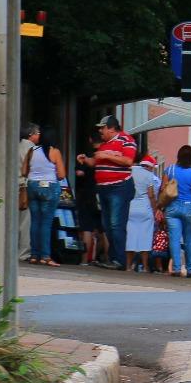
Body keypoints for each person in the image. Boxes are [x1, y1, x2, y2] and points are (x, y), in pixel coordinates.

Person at [78, 115, 137, 269]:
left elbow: (128, 161)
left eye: (103, 128)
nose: (100, 131)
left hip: (119, 187)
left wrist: (106, 155)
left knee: (116, 224)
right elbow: (96, 163)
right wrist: (86, 160)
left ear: (111, 128)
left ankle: (120, 260)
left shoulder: (126, 140)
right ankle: (112, 258)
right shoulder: (105, 144)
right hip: (104, 188)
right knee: (107, 224)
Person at [22, 125, 66, 266]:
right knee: (46, 223)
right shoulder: (55, 152)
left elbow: (24, 172)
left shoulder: (31, 151)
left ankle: (34, 255)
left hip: (33, 187)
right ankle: (45, 256)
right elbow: (61, 175)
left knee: (35, 221)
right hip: (49, 188)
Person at [163, 145, 191, 278]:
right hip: (189, 208)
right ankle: (190, 269)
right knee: (189, 240)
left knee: (174, 239)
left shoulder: (169, 170)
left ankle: (176, 268)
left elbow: (163, 190)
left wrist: (159, 208)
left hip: (172, 207)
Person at [75, 135, 108, 266]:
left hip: (87, 195)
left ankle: (84, 260)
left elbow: (79, 173)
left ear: (90, 139)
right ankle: (108, 259)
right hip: (102, 193)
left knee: (87, 228)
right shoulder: (105, 155)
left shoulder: (86, 155)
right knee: (105, 229)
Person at [125, 155, 160, 272]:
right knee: (145, 238)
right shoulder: (149, 176)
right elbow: (151, 195)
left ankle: (128, 266)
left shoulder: (131, 170)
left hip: (131, 207)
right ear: (149, 167)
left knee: (131, 236)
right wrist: (155, 210)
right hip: (145, 208)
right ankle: (145, 267)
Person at [17, 123, 36, 262]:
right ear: (31, 135)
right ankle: (23, 253)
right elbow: (30, 167)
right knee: (25, 221)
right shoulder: (30, 147)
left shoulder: (14, 145)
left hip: (12, 185)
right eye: (38, 133)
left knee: (14, 221)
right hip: (23, 186)